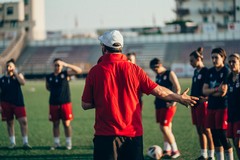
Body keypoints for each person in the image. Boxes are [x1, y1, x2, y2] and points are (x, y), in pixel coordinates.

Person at [81, 30, 198, 160]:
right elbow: (159, 91)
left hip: (105, 135)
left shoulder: (95, 71)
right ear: (120, 48)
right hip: (133, 134)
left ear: (104, 48)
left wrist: (104, 100)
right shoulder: (134, 69)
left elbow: (85, 104)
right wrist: (179, 97)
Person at [202, 48, 234, 160]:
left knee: (222, 134)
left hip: (222, 107)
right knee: (214, 135)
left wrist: (211, 92)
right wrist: (216, 90)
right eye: (212, 57)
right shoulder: (209, 71)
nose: (214, 60)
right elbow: (204, 90)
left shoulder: (226, 71)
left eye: (216, 57)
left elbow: (223, 92)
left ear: (223, 58)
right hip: (211, 106)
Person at [46, 58, 82, 150]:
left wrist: (66, 64)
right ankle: (56, 143)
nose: (57, 67)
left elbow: (79, 71)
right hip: (53, 103)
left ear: (62, 66)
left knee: (66, 124)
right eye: (55, 65)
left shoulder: (65, 74)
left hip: (65, 103)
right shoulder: (49, 76)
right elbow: (48, 87)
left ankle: (68, 143)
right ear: (53, 66)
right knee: (55, 124)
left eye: (59, 65)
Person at [149, 57, 181, 159]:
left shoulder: (169, 73)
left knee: (164, 127)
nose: (154, 70)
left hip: (168, 104)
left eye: (155, 68)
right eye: (153, 69)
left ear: (160, 65)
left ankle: (175, 150)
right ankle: (167, 149)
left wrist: (173, 102)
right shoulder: (158, 75)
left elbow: (177, 88)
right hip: (159, 104)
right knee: (166, 128)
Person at [189, 47, 215, 160]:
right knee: (199, 129)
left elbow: (209, 87)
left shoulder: (206, 71)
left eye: (192, 60)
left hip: (202, 104)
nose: (190, 63)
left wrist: (207, 98)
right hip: (194, 104)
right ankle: (203, 154)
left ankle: (211, 155)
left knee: (206, 129)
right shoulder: (196, 71)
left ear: (199, 59)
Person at [0, 59, 31, 149]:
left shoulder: (18, 76)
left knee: (23, 122)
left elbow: (23, 83)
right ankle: (12, 142)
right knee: (10, 123)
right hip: (5, 103)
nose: (9, 68)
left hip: (18, 103)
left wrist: (15, 73)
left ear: (14, 67)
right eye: (7, 66)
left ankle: (25, 142)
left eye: (11, 66)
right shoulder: (2, 79)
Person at [226, 53, 240, 159]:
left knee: (237, 141)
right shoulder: (229, 77)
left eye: (234, 61)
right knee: (235, 143)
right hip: (231, 115)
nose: (231, 64)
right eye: (229, 62)